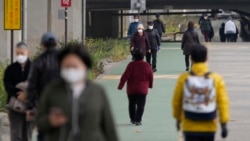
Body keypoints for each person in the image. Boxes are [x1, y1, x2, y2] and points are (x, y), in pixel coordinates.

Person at [36, 44, 118, 141]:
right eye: (66, 66)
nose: (70, 70)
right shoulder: (52, 90)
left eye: (74, 66)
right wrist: (49, 121)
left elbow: (109, 128)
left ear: (85, 66)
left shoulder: (97, 91)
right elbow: (38, 122)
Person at [172, 45, 229, 141]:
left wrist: (178, 119)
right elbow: (223, 102)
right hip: (209, 126)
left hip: (189, 125)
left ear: (191, 58)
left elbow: (177, 101)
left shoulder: (184, 78)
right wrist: (223, 123)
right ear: (207, 58)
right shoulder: (216, 78)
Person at [26, 32, 60, 141]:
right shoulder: (64, 61)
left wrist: (30, 107)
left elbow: (31, 86)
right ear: (56, 43)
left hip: (43, 105)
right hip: (62, 105)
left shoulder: (38, 62)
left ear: (43, 45)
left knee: (43, 134)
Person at [4, 42, 33, 141]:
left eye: (22, 53)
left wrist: (27, 94)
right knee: (15, 133)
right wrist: (17, 95)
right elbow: (7, 84)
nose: (20, 55)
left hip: (30, 106)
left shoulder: (34, 68)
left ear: (27, 53)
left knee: (28, 134)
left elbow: (38, 84)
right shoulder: (11, 69)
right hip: (14, 106)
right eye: (18, 53)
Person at [118, 48, 153, 126]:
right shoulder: (146, 65)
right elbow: (150, 76)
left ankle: (132, 118)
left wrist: (121, 85)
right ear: (143, 56)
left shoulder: (131, 65)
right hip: (142, 89)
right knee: (141, 105)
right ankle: (138, 120)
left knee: (131, 104)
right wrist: (150, 85)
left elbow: (125, 76)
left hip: (131, 89)